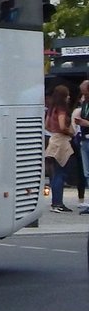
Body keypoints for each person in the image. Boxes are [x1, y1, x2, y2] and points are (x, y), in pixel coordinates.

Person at [44, 84, 75, 213]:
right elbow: (62, 126)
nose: (69, 97)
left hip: (53, 140)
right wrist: (70, 132)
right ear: (63, 96)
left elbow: (46, 125)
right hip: (61, 141)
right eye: (67, 95)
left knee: (56, 172)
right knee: (61, 173)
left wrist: (54, 130)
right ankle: (58, 203)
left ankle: (55, 203)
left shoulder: (51, 109)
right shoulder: (61, 109)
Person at [74, 80, 89, 213]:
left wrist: (85, 123)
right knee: (86, 173)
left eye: (85, 92)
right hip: (84, 140)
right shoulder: (84, 104)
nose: (83, 95)